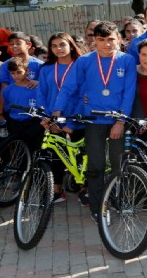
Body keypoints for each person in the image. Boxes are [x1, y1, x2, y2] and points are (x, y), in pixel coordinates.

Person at [53, 21, 137, 223]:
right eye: (102, 40)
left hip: (118, 120)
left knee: (119, 164)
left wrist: (120, 121)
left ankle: (119, 200)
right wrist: (57, 110)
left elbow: (129, 93)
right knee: (96, 166)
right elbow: (69, 87)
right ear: (95, 41)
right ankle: (99, 206)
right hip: (93, 121)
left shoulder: (127, 60)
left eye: (111, 39)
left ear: (118, 39)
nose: (107, 44)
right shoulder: (84, 61)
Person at [37, 32, 85, 204]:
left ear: (71, 45)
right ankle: (57, 190)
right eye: (54, 45)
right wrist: (47, 118)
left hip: (77, 118)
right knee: (56, 155)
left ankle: (83, 189)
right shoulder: (46, 68)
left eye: (62, 44)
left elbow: (84, 96)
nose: (59, 48)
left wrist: (72, 122)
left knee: (79, 155)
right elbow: (41, 93)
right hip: (53, 119)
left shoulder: (81, 65)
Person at [1, 58, 44, 153]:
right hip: (16, 125)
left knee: (36, 151)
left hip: (35, 124)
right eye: (13, 73)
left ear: (27, 71)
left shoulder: (36, 88)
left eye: (19, 72)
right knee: (19, 152)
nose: (16, 76)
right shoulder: (8, 90)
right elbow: (7, 107)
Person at [0, 32, 43, 120]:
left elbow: (48, 86)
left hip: (36, 114)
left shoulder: (39, 65)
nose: (14, 46)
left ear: (28, 45)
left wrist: (39, 83)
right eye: (11, 44)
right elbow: (4, 88)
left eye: (18, 43)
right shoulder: (5, 65)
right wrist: (0, 112)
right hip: (15, 112)